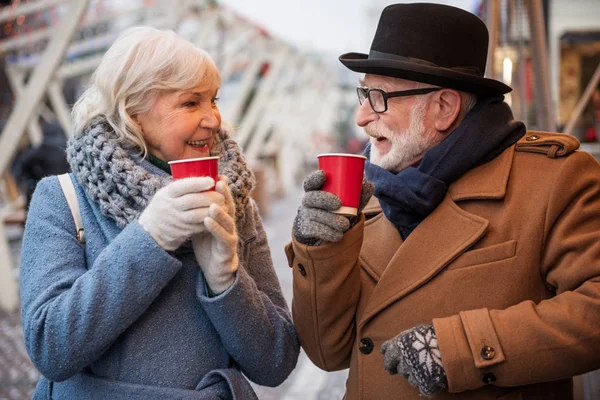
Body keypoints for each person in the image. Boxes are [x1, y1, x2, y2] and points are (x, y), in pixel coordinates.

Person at [288, 3, 600, 399]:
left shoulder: (555, 181)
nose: (362, 117)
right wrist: (318, 249)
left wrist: (461, 349)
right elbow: (327, 352)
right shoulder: (363, 198)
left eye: (379, 96)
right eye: (362, 93)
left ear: (443, 108)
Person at [20, 26, 299, 399]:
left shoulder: (234, 202)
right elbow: (50, 348)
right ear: (132, 112)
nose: (214, 119)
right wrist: (149, 239)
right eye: (190, 103)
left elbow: (275, 363)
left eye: (213, 100)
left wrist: (226, 280)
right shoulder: (63, 198)